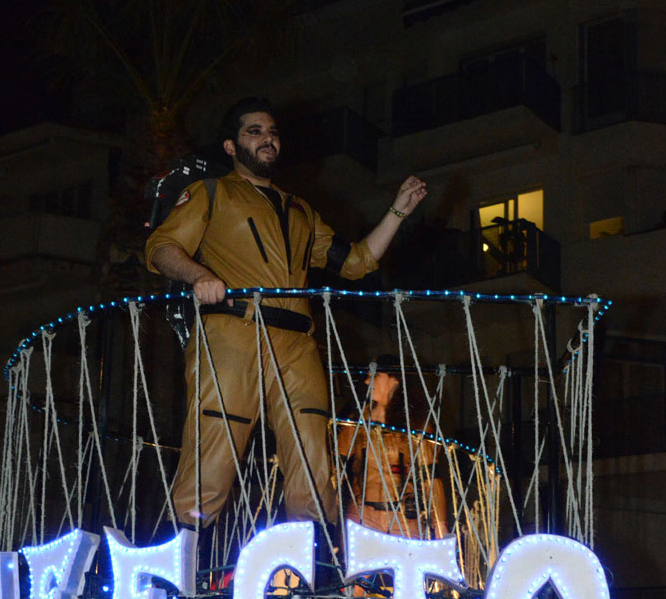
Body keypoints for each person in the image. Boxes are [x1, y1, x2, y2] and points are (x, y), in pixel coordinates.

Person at [145, 97, 427, 542]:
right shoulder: (210, 193)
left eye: (272, 132)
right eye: (254, 131)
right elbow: (161, 248)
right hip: (233, 330)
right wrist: (201, 275)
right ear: (232, 146)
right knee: (217, 442)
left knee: (313, 451)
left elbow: (354, 262)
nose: (267, 139)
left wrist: (396, 213)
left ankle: (308, 561)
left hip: (297, 341)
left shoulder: (300, 210)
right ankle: (181, 556)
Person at [337, 355, 447, 541]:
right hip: (363, 514)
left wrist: (440, 524)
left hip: (403, 517)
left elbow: (431, 478)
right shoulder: (357, 421)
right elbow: (336, 467)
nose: (367, 381)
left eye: (375, 375)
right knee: (359, 569)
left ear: (394, 379)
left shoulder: (416, 425)